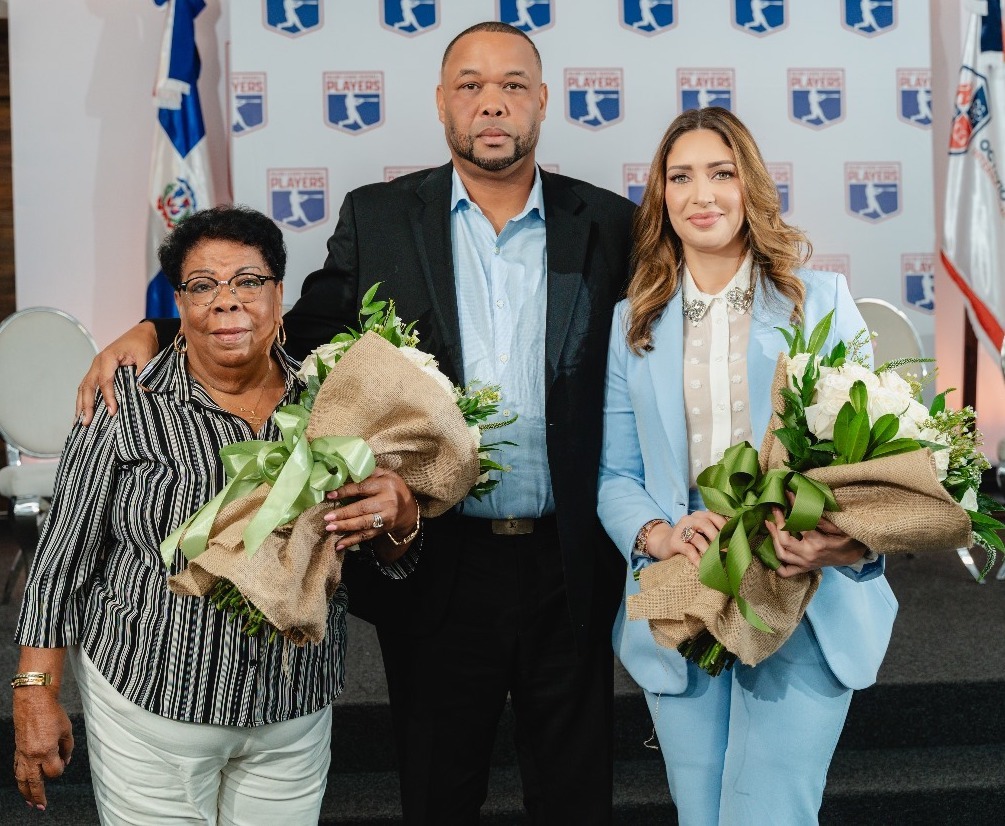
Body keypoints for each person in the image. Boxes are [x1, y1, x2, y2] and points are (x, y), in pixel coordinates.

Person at [75, 22, 636, 825]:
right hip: (435, 558)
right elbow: (292, 336)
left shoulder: (610, 226)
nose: (492, 103)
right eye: (470, 86)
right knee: (438, 796)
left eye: (512, 85)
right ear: (441, 104)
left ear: (542, 101)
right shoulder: (379, 218)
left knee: (576, 797)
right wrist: (159, 329)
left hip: (570, 565)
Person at [14, 205, 421, 823]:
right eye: (202, 286)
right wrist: (34, 693)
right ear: (178, 303)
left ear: (279, 295)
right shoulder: (126, 406)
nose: (227, 302)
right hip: (153, 701)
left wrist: (402, 519)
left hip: (293, 704)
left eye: (248, 282)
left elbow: (382, 557)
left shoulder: (333, 403)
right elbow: (61, 555)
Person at [596, 107, 897, 825]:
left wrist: (840, 540)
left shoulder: (816, 301)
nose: (702, 194)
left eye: (720, 173)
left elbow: (876, 462)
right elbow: (613, 474)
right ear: (661, 198)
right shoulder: (631, 322)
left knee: (768, 815)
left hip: (802, 597)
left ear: (749, 185)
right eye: (681, 177)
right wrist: (656, 536)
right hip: (683, 600)